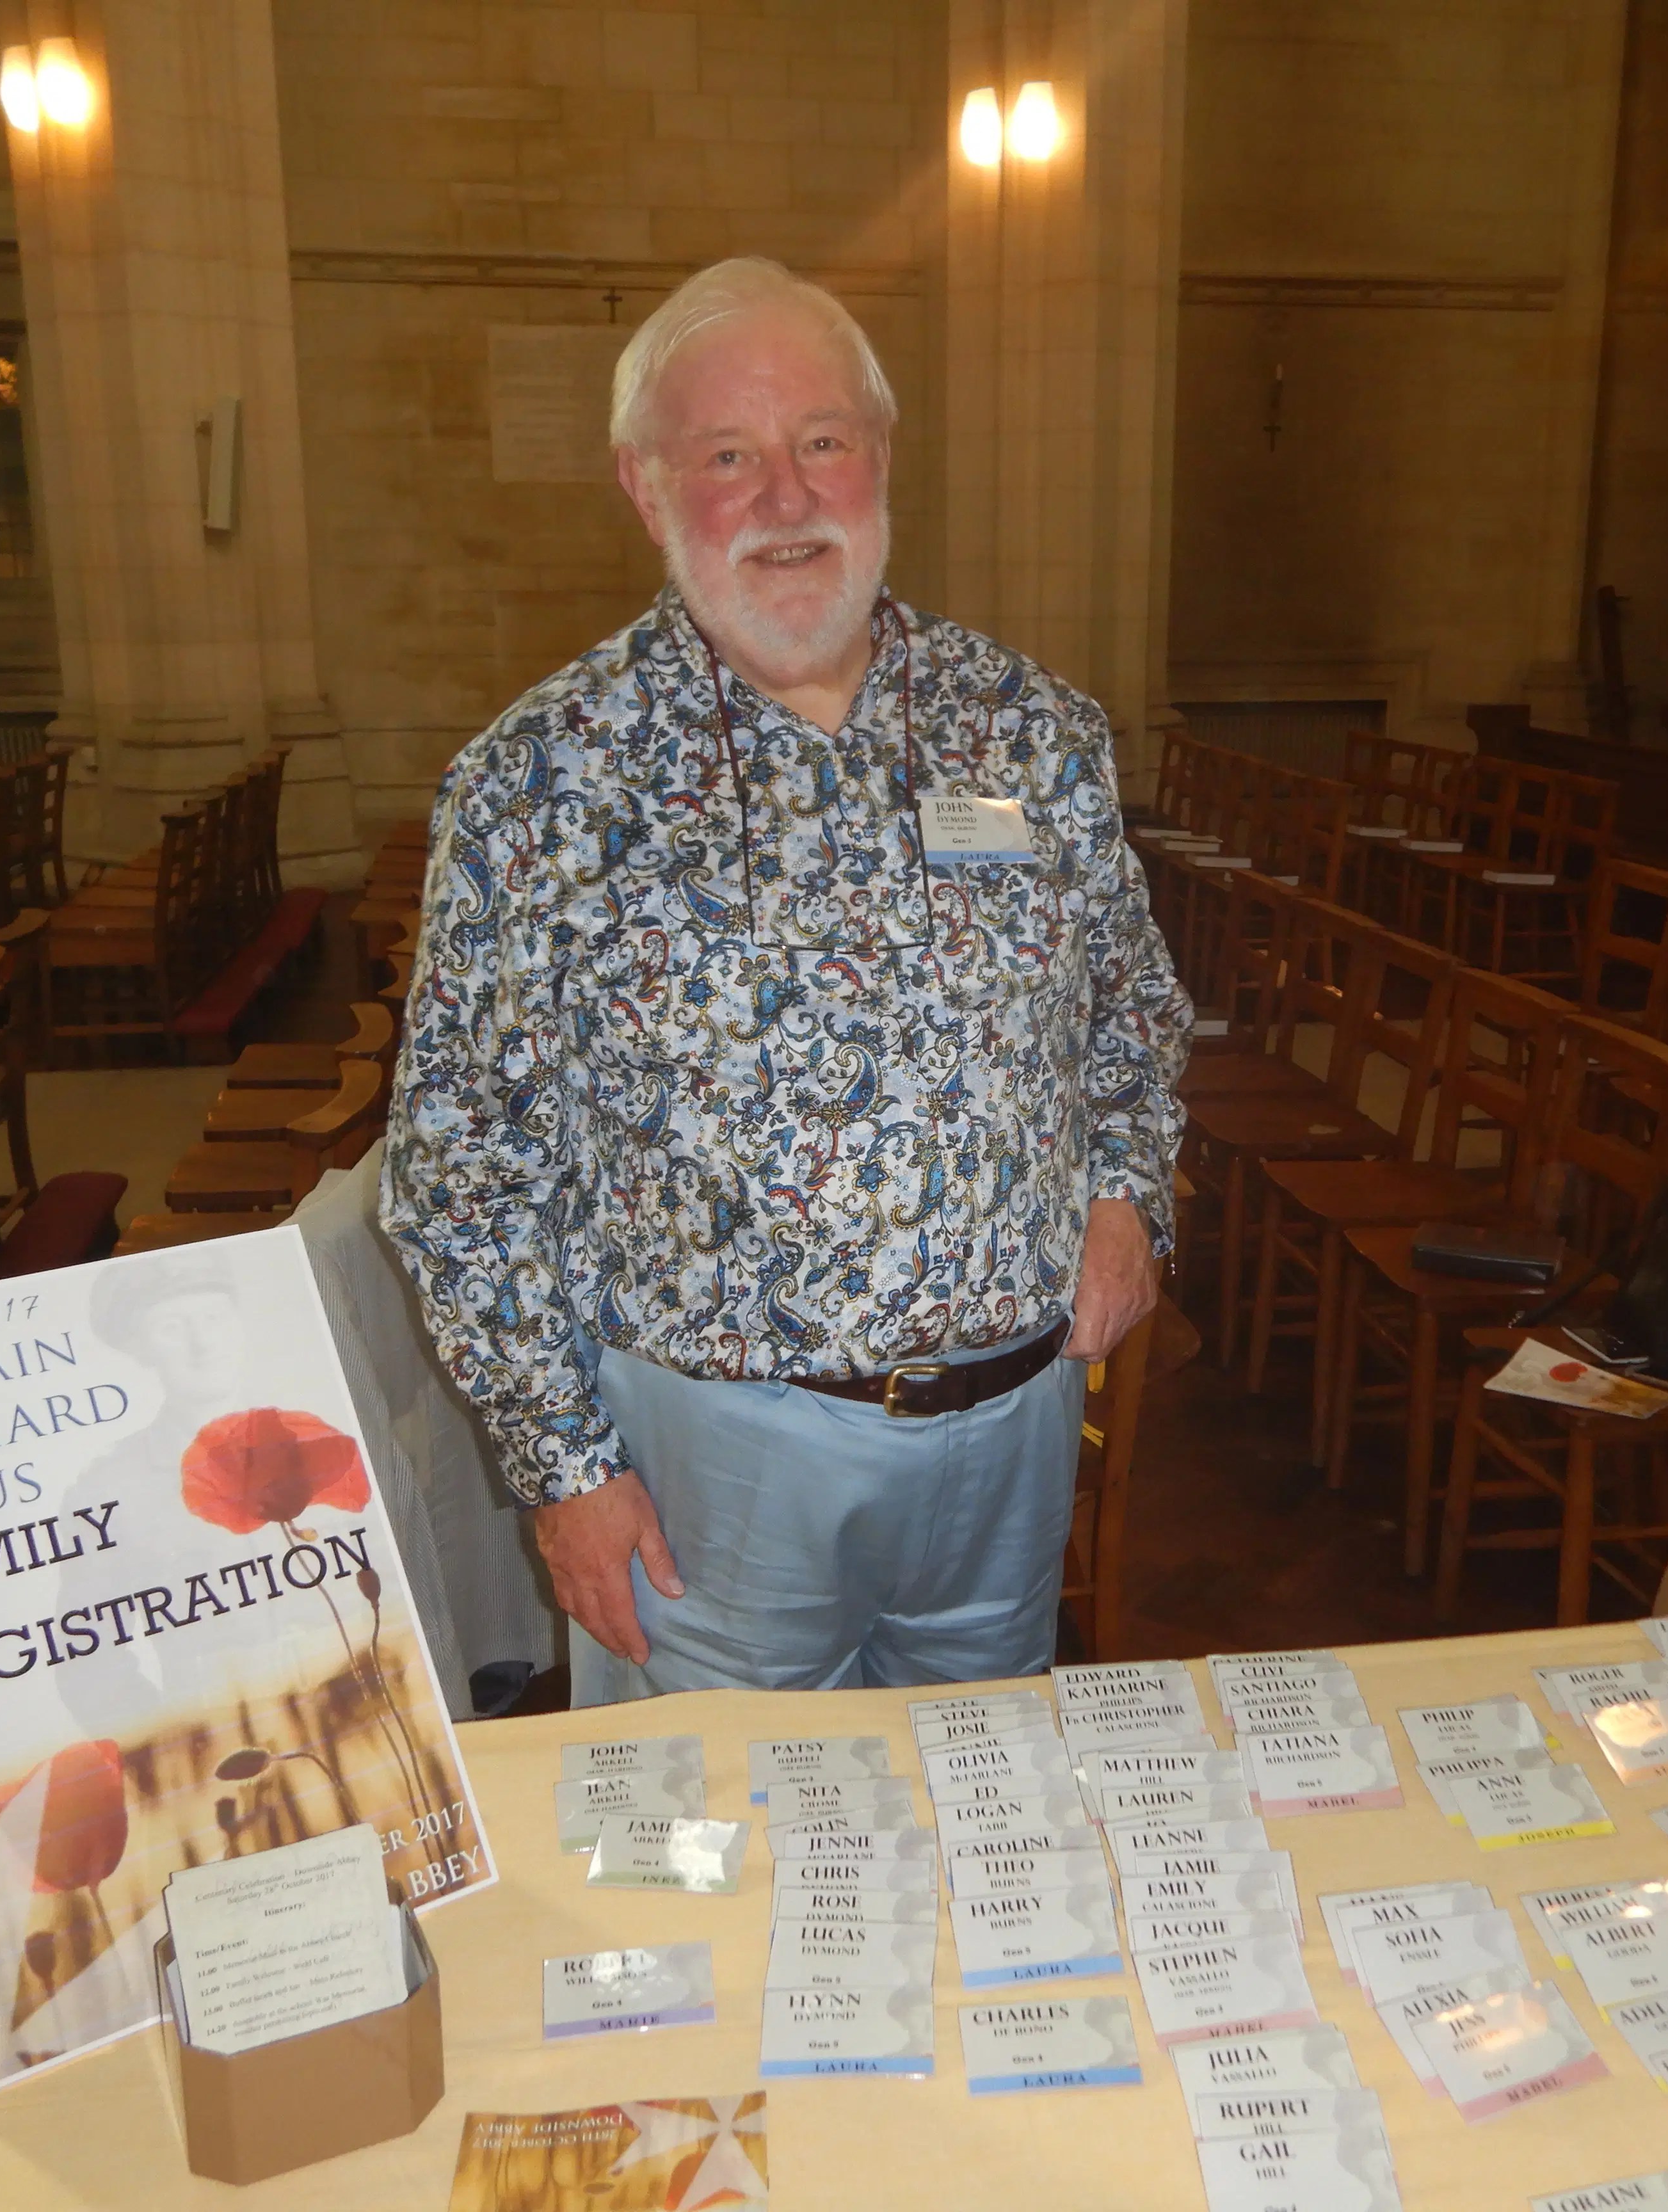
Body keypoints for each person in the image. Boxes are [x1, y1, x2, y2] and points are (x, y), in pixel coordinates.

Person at [380, 255, 1191, 1705]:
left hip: (1009, 1437)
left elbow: (1133, 1012)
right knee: (720, 1870)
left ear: (880, 458)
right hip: (715, 1470)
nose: (787, 497)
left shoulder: (1030, 731)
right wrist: (564, 1472)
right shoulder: (542, 783)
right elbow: (461, 1173)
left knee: (970, 1813)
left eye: (822, 442)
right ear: (645, 487)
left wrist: (1126, 1193)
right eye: (728, 458)